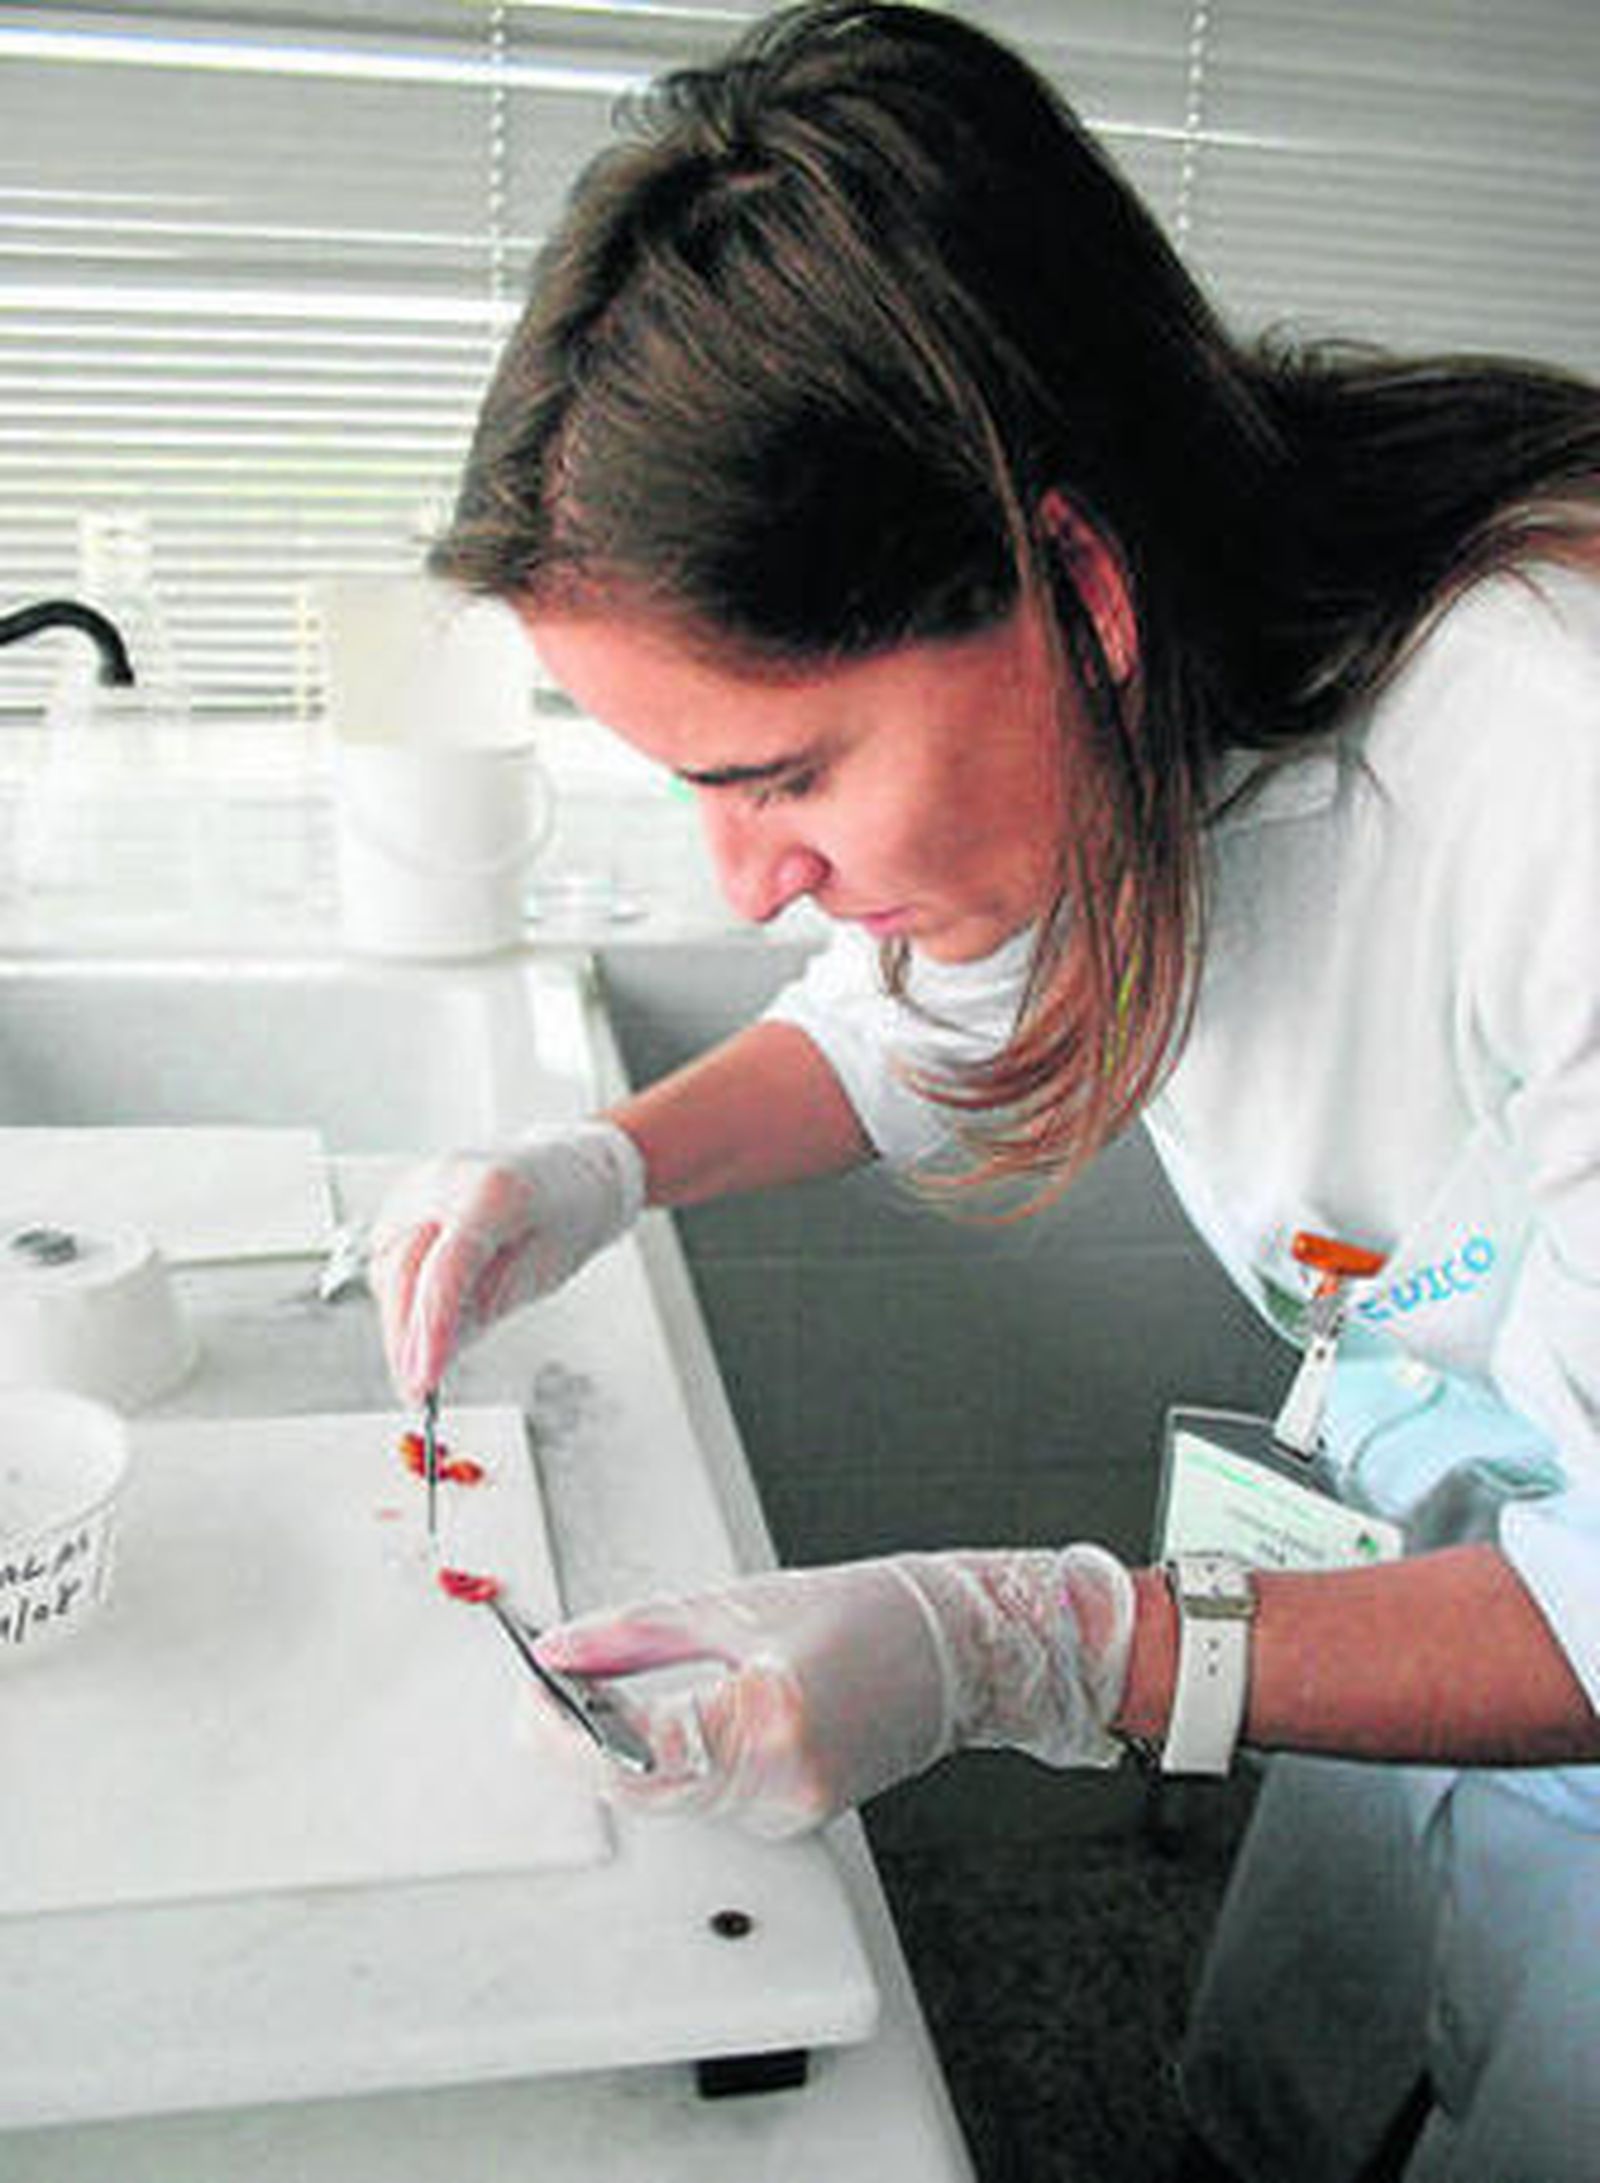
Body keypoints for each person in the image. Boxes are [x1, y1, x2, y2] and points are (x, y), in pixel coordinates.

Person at [368, 6, 1600, 2177]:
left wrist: (1030, 1646)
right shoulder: (1167, 682)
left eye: (781, 777)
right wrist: (594, 1166)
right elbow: (905, 1024)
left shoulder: (1550, 776)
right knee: (1307, 2078)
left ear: (1075, 591)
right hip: (1441, 1534)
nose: (747, 882)